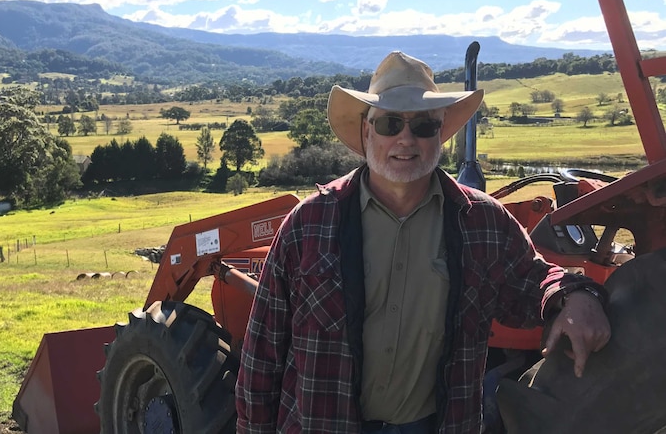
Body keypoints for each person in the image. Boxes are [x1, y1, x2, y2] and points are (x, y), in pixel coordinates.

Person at [234, 51, 611, 434]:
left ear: (441, 133)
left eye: (423, 126)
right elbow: (262, 354)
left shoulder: (482, 221)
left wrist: (576, 295)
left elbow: (532, 282)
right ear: (367, 131)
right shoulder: (309, 224)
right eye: (390, 123)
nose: (406, 138)